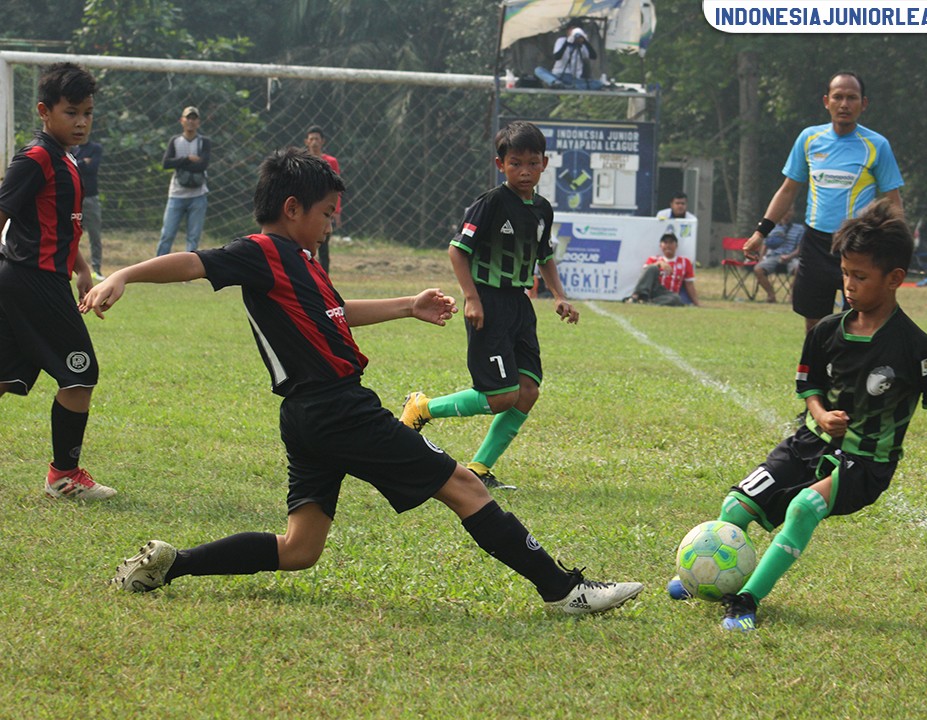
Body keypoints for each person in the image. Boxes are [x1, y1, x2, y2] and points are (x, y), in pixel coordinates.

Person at [81, 148, 642, 614]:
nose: (333, 222)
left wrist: (408, 306)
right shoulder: (263, 252)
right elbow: (194, 263)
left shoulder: (302, 262)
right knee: (467, 487)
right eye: (327, 213)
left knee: (300, 548)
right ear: (293, 207)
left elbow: (337, 312)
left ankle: (172, 564)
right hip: (339, 408)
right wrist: (125, 273)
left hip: (308, 417)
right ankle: (563, 590)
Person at [702, 200, 927, 632]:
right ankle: (701, 577)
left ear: (894, 279)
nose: (849, 285)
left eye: (860, 276)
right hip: (809, 443)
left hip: (866, 463)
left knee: (803, 508)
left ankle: (745, 600)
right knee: (734, 506)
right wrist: (819, 412)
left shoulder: (916, 347)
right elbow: (809, 388)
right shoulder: (825, 332)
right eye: (845, 274)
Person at [399, 121, 577, 491]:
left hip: (520, 306)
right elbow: (457, 250)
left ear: (544, 163)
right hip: (489, 304)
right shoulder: (490, 204)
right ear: (501, 165)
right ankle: (422, 407)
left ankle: (480, 469)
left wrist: (559, 295)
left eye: (532, 163)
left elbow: (544, 256)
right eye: (516, 163)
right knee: (500, 397)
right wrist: (473, 298)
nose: (524, 171)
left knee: (527, 391)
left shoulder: (543, 210)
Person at [0, 62, 116, 501]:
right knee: (80, 374)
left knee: (7, 376)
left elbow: (59, 225)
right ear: (44, 111)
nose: (82, 121)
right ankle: (63, 477)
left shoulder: (65, 156)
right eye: (72, 112)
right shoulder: (35, 158)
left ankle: (62, 476)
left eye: (88, 112)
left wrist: (82, 268)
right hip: (33, 280)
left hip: (32, 277)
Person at [743, 72, 904, 334]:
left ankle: (847, 373)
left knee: (856, 319)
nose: (844, 104)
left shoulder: (877, 145)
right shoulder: (809, 139)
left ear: (864, 104)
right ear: (826, 101)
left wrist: (898, 247)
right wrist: (760, 232)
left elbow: (893, 202)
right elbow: (787, 190)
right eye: (838, 97)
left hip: (857, 244)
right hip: (815, 243)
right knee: (814, 321)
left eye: (852, 98)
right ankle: (814, 373)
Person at [155, 105, 211, 256]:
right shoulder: (175, 141)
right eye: (188, 118)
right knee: (167, 234)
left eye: (194, 118)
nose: (191, 122)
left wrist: (180, 165)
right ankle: (158, 268)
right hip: (176, 194)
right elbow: (166, 163)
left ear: (198, 122)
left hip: (198, 195)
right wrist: (188, 159)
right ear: (182, 121)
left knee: (193, 238)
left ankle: (188, 272)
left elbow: (203, 165)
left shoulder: (204, 142)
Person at [625, 231, 700, 306]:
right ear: (660, 246)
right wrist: (658, 264)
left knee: (677, 299)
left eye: (671, 242)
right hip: (654, 289)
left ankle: (646, 303)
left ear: (676, 246)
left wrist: (697, 303)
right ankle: (635, 296)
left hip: (669, 294)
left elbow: (689, 284)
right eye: (665, 242)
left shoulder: (685, 262)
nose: (668, 245)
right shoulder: (653, 259)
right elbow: (645, 274)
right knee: (652, 268)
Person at [303, 125, 341, 273]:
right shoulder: (302, 161)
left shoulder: (331, 162)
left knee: (323, 246)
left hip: (324, 210)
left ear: (322, 141)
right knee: (304, 246)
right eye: (311, 139)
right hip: (306, 209)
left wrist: (336, 211)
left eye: (317, 139)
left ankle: (325, 280)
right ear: (306, 141)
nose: (314, 142)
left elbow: (337, 189)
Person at [753, 208, 805, 304]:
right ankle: (771, 295)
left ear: (793, 212)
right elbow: (765, 245)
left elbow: (799, 249)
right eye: (785, 211)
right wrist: (761, 258)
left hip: (791, 257)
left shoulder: (799, 229)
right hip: (773, 256)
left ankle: (792, 296)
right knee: (758, 269)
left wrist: (789, 257)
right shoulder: (772, 227)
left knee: (800, 268)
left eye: (789, 211)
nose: (787, 214)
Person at [71, 139, 105, 280]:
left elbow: (93, 169)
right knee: (69, 233)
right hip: (72, 198)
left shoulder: (95, 148)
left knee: (94, 234)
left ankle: (96, 269)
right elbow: (70, 167)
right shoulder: (70, 147)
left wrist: (79, 164)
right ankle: (67, 265)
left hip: (90, 197)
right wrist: (83, 162)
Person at [533, 25, 603, 91]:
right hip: (558, 75)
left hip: (573, 79)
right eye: (572, 30)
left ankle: (571, 88)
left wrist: (585, 42)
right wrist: (567, 43)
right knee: (538, 70)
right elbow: (557, 57)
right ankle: (556, 83)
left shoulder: (581, 45)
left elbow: (593, 56)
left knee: (598, 83)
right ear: (567, 31)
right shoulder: (561, 40)